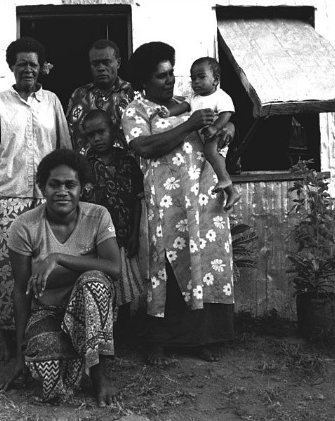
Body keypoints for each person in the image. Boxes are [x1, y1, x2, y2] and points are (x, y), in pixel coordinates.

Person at [122, 42, 237, 364]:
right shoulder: (137, 110)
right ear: (145, 81)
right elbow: (143, 147)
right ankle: (158, 340)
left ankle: (200, 338)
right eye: (161, 76)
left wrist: (227, 126)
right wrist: (188, 124)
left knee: (205, 264)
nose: (170, 80)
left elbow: (222, 120)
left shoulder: (189, 101)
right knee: (168, 265)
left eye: (171, 72)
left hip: (202, 200)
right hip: (167, 204)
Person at [0, 149, 121, 406]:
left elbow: (114, 268)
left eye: (70, 185)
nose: (62, 191)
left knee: (95, 281)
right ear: (43, 187)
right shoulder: (24, 226)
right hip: (47, 312)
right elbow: (21, 290)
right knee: (50, 388)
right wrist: (19, 354)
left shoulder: (98, 216)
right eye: (54, 184)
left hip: (91, 315)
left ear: (83, 189)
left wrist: (57, 258)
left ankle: (99, 375)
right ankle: (75, 362)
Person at [0, 37, 72, 360]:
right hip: (8, 200)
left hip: (48, 203)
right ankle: (13, 348)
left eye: (33, 64)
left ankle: (44, 342)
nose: (27, 69)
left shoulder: (52, 102)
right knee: (7, 276)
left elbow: (64, 149)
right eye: (21, 64)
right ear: (12, 67)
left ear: (42, 67)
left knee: (46, 271)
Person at [80, 109, 145, 309]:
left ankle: (130, 330)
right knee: (102, 287)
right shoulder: (83, 166)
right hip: (96, 239)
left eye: (101, 132)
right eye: (91, 135)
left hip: (125, 237)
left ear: (113, 131)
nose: (97, 138)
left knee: (128, 287)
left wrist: (134, 233)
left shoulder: (128, 162)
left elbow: (136, 200)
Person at [157, 56, 240, 211]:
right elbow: (182, 106)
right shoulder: (193, 97)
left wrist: (215, 128)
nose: (196, 82)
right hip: (204, 137)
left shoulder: (220, 96)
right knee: (215, 158)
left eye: (201, 77)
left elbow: (226, 114)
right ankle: (231, 191)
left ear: (215, 80)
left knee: (211, 152)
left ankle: (225, 181)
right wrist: (168, 112)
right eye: (193, 78)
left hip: (216, 134)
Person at [66, 39, 135, 154]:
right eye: (95, 64)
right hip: (85, 169)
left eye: (106, 62)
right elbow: (70, 135)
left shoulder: (132, 94)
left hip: (124, 169)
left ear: (118, 63)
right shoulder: (78, 95)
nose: (101, 68)